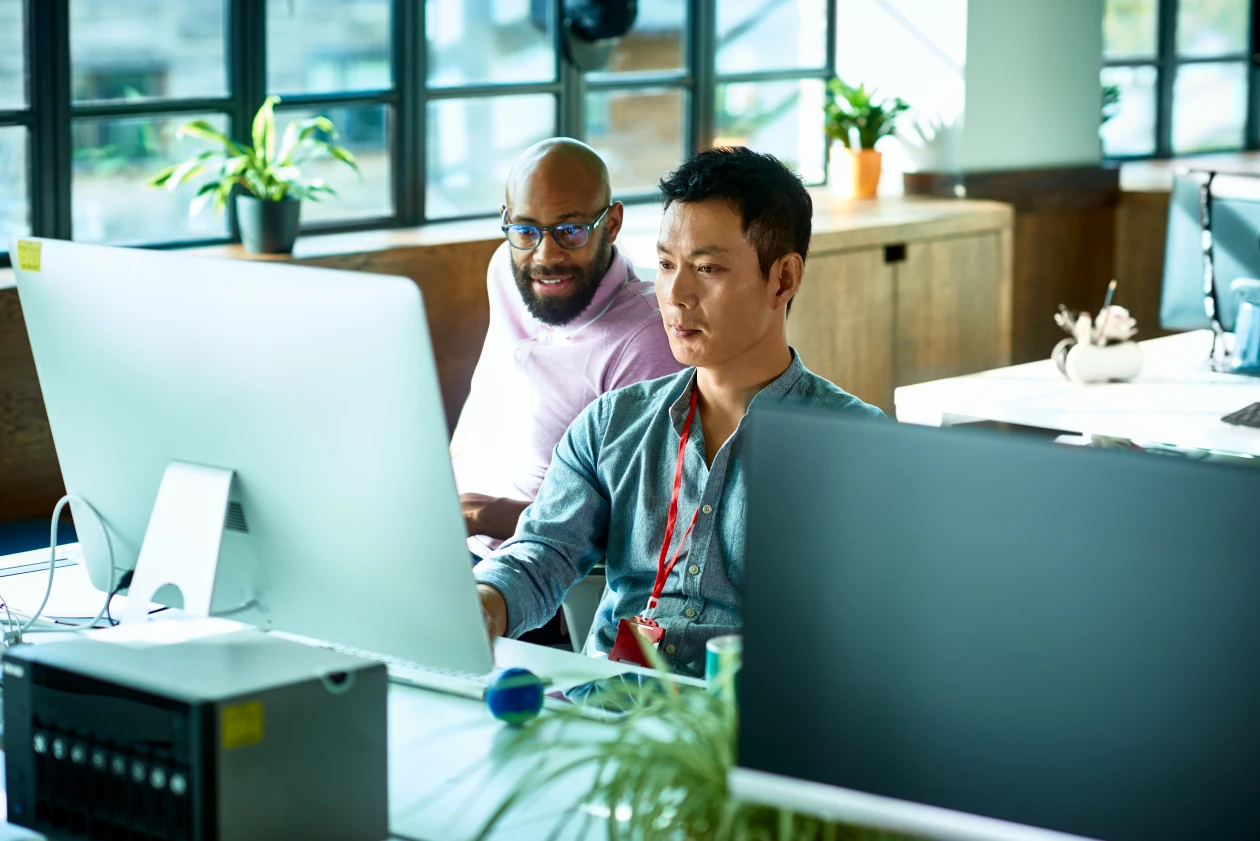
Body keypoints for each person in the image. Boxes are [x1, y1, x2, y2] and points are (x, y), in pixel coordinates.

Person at [473, 146, 885, 678]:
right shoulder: (610, 425)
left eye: (707, 268)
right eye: (666, 264)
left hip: (748, 732)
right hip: (609, 713)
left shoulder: (857, 445)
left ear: (782, 280)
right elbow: (542, 553)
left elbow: (866, 635)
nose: (676, 294)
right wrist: (484, 602)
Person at [450, 138, 682, 560]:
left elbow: (640, 526)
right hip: (450, 538)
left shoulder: (647, 339)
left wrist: (481, 514)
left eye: (570, 230)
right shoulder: (505, 269)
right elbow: (485, 405)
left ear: (611, 224)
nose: (545, 255)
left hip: (537, 575)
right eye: (526, 230)